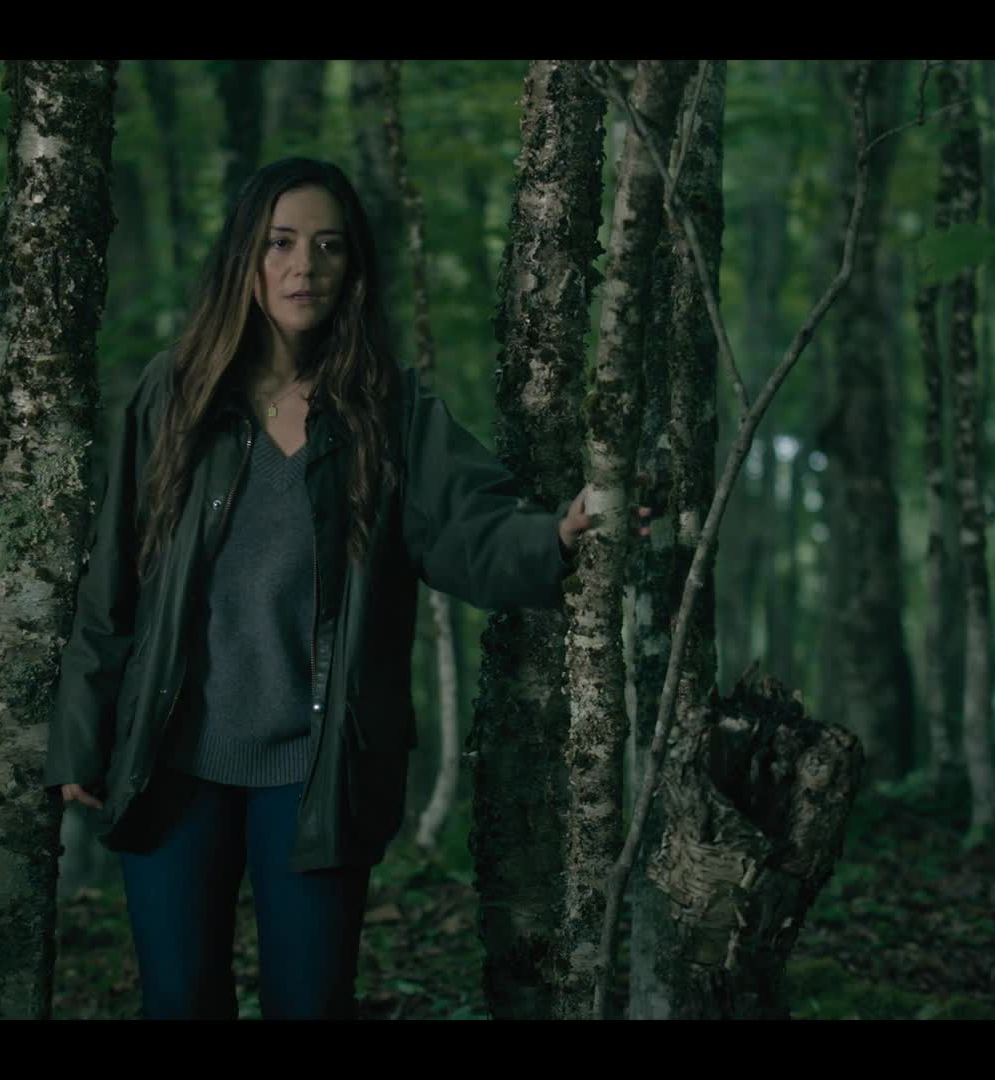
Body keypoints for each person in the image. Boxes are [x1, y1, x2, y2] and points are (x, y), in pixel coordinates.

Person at [46, 157, 623, 1020]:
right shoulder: (175, 393)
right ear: (245, 255)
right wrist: (81, 734)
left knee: (311, 1005)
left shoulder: (387, 410)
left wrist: (557, 536)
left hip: (317, 768)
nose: (303, 267)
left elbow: (469, 526)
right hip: (172, 760)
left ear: (355, 266)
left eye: (328, 246)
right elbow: (114, 578)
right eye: (280, 243)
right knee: (178, 1001)